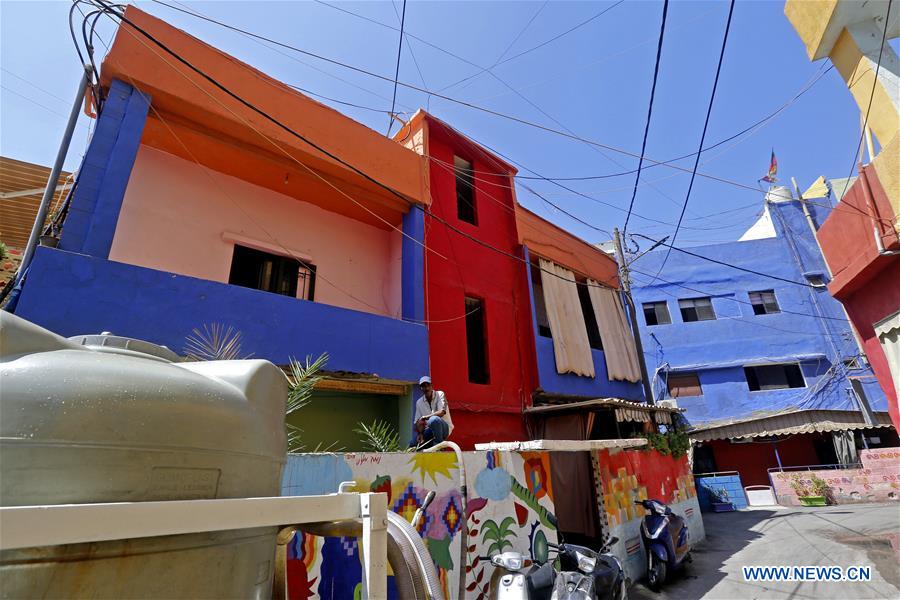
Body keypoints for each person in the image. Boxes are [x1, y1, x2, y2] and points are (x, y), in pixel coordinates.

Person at [410, 376, 453, 449]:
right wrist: (420, 433)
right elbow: (418, 422)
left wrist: (426, 417)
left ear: (432, 386)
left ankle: (439, 446)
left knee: (434, 420)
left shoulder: (440, 394)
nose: (426, 388)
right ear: (421, 388)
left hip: (444, 428)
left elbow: (442, 412)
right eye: (423, 386)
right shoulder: (419, 402)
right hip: (430, 430)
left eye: (428, 385)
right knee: (413, 444)